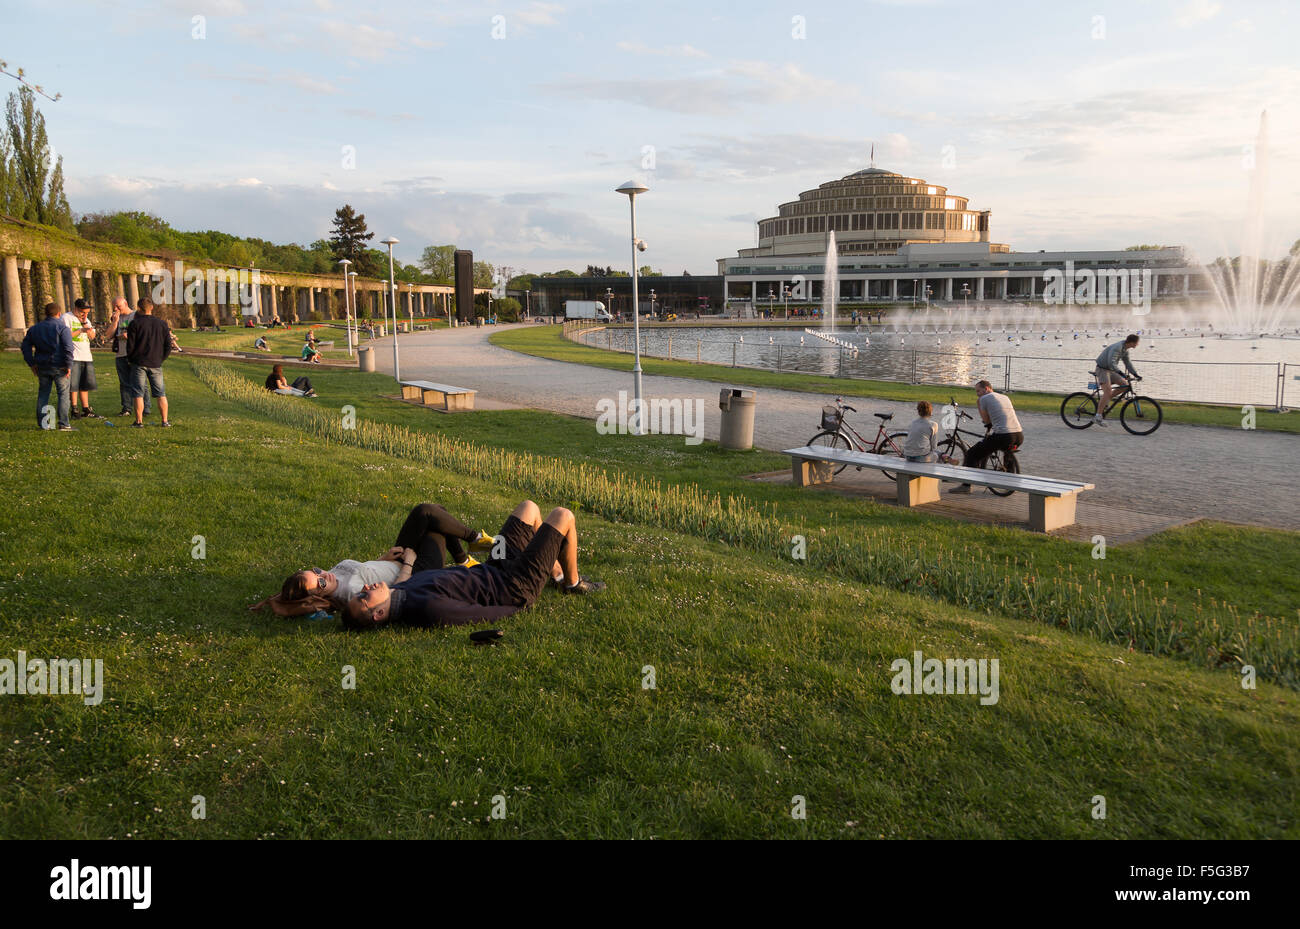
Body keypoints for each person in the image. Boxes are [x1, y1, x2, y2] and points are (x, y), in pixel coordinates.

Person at [342, 500, 605, 629]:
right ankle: (572, 583)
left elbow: (400, 584)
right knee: (563, 515)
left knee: (528, 508)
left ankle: (555, 573)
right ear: (377, 614)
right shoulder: (426, 608)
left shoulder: (399, 593)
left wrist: (404, 563)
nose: (366, 587)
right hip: (513, 586)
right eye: (364, 595)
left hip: (495, 565)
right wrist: (517, 606)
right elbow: (475, 615)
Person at [252, 503, 496, 616]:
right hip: (415, 573)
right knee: (430, 516)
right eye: (320, 583)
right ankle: (473, 542)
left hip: (396, 559)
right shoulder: (349, 593)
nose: (323, 576)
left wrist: (383, 558)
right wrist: (409, 562)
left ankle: (466, 560)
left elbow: (364, 570)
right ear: (318, 596)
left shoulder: (334, 578)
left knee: (432, 510)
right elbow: (390, 593)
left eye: (315, 572)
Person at [948, 381, 1022, 494]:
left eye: (978, 391)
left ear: (987, 388)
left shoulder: (983, 399)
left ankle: (966, 486)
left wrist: (979, 404)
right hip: (1018, 435)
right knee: (1004, 450)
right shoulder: (1004, 396)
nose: (977, 394)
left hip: (1004, 436)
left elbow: (987, 421)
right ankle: (1009, 481)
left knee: (972, 454)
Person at [21, 302, 75, 431]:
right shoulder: (62, 328)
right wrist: (68, 365)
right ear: (59, 313)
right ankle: (63, 423)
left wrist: (32, 363)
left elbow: (25, 347)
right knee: (63, 394)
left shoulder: (34, 329)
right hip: (59, 365)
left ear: (45, 313)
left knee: (43, 394)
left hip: (42, 365)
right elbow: (68, 348)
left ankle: (44, 424)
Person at [125, 297, 172, 427]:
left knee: (138, 393)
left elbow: (130, 346)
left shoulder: (135, 324)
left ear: (139, 308)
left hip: (139, 362)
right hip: (156, 362)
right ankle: (164, 421)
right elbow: (168, 345)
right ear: (152, 307)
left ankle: (139, 421)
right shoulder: (162, 324)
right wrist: (161, 358)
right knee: (160, 393)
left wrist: (131, 359)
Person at [107, 296, 148, 417]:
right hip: (121, 353)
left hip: (135, 354)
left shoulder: (136, 315)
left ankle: (145, 408)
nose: (116, 309)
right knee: (124, 382)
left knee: (140, 382)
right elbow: (108, 335)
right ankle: (126, 408)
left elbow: (143, 331)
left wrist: (129, 334)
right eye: (114, 306)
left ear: (125, 303)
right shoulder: (116, 318)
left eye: (118, 306)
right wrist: (115, 321)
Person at [1093, 334, 1141, 425]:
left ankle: (1106, 401)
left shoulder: (1125, 349)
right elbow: (1111, 363)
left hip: (1110, 370)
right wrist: (1121, 373)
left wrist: (1135, 374)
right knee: (1108, 392)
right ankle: (1098, 416)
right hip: (1102, 369)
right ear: (1132, 342)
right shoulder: (1117, 347)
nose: (1138, 344)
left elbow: (1127, 363)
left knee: (1125, 385)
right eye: (1137, 343)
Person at [63, 298, 98, 418]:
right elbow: (66, 336)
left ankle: (86, 408)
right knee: (73, 384)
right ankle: (74, 408)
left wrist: (85, 324)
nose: (85, 315)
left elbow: (92, 336)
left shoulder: (86, 320)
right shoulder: (67, 318)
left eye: (87, 312)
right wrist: (80, 330)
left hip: (86, 356)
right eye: (83, 312)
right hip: (73, 356)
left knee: (85, 384)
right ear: (76, 309)